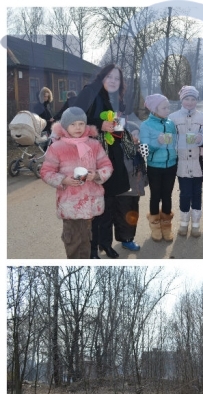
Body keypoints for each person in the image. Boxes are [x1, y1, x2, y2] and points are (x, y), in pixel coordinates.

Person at [74, 64, 142, 258]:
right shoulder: (90, 92)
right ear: (102, 76)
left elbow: (116, 127)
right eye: (109, 76)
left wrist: (128, 135)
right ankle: (92, 249)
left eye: (117, 78)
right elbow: (73, 118)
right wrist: (98, 123)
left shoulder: (116, 99)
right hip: (93, 156)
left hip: (113, 157)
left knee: (110, 203)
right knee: (96, 205)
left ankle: (106, 243)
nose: (113, 81)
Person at [39, 107, 113, 258]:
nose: (78, 128)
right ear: (65, 126)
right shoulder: (57, 147)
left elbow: (107, 165)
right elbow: (46, 171)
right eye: (73, 124)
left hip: (91, 201)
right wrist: (63, 180)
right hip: (70, 202)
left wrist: (97, 175)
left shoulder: (93, 145)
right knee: (72, 238)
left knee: (86, 237)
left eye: (81, 123)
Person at [170, 85, 203, 238]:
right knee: (184, 194)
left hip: (199, 164)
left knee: (197, 193)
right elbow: (169, 139)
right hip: (181, 165)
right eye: (186, 99)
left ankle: (196, 225)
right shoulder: (173, 118)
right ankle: (183, 224)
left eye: (193, 99)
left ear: (197, 100)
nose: (189, 102)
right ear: (181, 99)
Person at [140, 93, 178, 242]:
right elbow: (144, 150)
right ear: (154, 109)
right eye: (164, 107)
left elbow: (175, 142)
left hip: (171, 165)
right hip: (155, 167)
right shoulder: (146, 125)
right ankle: (155, 226)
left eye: (168, 107)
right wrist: (157, 142)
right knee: (155, 196)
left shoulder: (170, 123)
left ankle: (167, 226)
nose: (168, 110)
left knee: (167, 196)